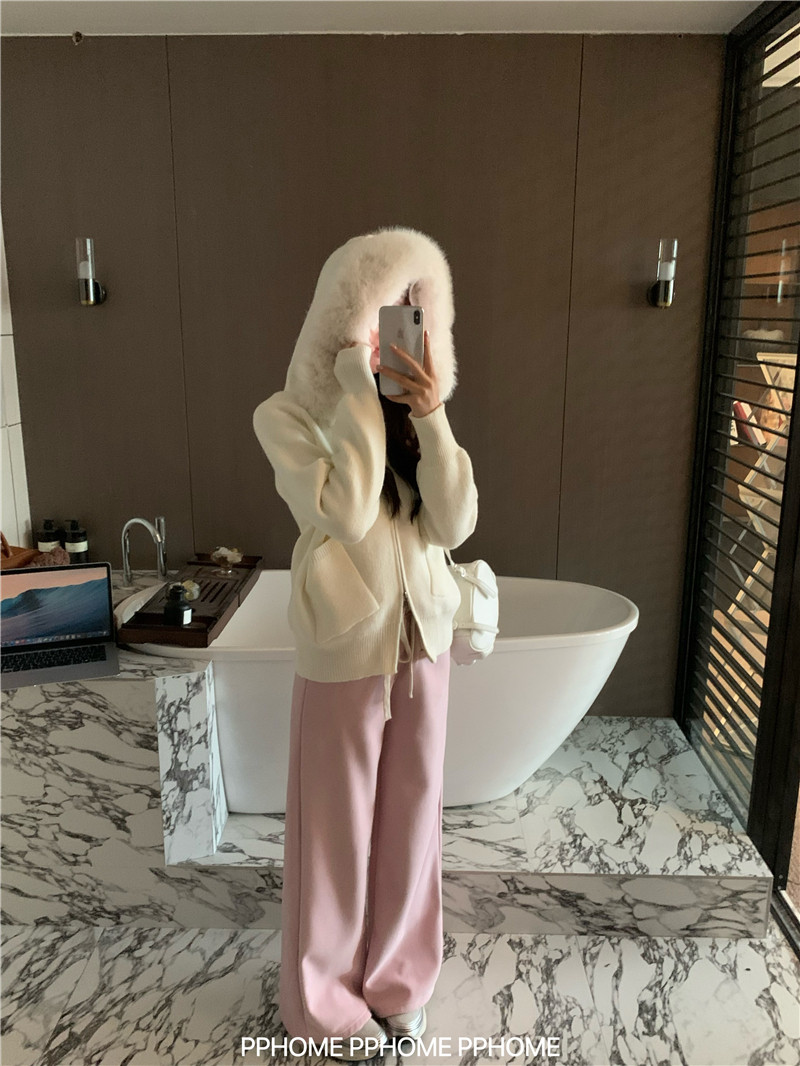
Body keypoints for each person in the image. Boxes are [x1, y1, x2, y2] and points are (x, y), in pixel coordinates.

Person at [253, 226, 479, 1062]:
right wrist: (354, 385)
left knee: (413, 825)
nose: (397, 331)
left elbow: (455, 523)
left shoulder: (416, 418)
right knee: (333, 834)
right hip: (346, 646)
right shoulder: (286, 416)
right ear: (346, 317)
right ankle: (323, 1009)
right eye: (383, 311)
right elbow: (346, 513)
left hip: (423, 645)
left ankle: (400, 985)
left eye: (413, 313)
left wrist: (433, 414)